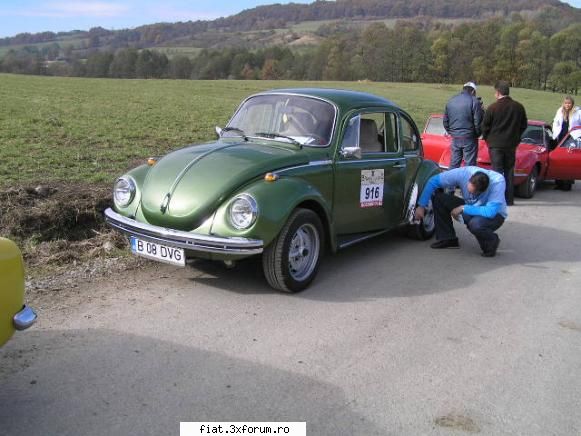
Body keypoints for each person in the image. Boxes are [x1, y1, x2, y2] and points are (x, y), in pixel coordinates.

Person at [414, 167, 507, 257]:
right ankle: (448, 239)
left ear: (483, 190)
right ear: (469, 180)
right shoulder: (463, 173)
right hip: (471, 206)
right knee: (439, 198)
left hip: (495, 215)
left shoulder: (497, 182)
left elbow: (491, 211)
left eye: (473, 193)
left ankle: (491, 241)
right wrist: (421, 205)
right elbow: (433, 181)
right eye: (468, 190)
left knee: (475, 224)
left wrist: (463, 208)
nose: (470, 194)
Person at [481, 81, 527, 206]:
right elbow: (524, 125)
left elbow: (484, 127)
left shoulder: (492, 108)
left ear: (497, 92)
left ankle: (496, 198)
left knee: (496, 172)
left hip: (495, 144)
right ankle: (509, 199)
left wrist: (488, 140)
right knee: (509, 171)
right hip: (511, 144)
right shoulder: (518, 107)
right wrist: (516, 138)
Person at [443, 81, 483, 168]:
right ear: (473, 91)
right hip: (469, 138)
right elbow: (478, 122)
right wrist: (476, 134)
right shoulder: (474, 101)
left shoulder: (451, 101)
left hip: (455, 137)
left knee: (454, 164)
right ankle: (467, 181)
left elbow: (445, 121)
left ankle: (451, 181)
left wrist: (451, 132)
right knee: (469, 166)